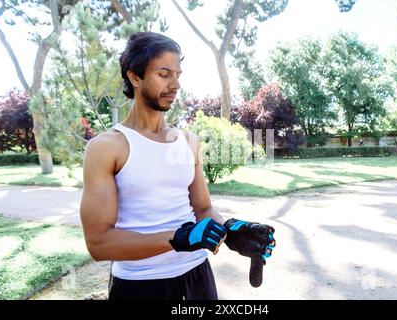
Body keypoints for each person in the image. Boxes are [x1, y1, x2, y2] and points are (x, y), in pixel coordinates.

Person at [79, 32, 275, 300]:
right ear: (134, 76)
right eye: (164, 74)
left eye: (178, 74)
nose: (175, 84)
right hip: (140, 285)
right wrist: (179, 238)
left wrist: (229, 231)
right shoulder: (107, 147)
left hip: (198, 276)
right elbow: (99, 244)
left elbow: (203, 208)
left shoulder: (188, 141)